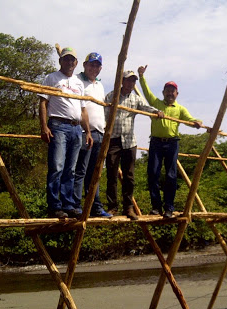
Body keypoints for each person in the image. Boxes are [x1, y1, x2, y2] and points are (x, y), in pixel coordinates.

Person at [137, 65, 202, 218]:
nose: (170, 93)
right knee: (153, 173)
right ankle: (156, 207)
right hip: (156, 143)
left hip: (172, 143)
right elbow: (146, 91)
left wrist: (197, 122)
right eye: (167, 90)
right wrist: (141, 76)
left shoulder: (180, 109)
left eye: (172, 91)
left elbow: (190, 120)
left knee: (171, 175)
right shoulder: (156, 103)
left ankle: (169, 208)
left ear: (176, 94)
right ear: (163, 93)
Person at [38, 47, 92, 218]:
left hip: (76, 128)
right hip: (58, 125)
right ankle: (54, 206)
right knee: (57, 166)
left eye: (72, 60)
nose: (69, 62)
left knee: (71, 169)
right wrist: (44, 126)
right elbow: (43, 103)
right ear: (60, 61)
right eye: (66, 59)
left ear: (76, 63)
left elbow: (83, 110)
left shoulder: (78, 83)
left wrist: (87, 131)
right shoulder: (51, 78)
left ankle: (68, 205)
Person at [104, 70, 164, 220]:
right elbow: (104, 115)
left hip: (129, 141)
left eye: (133, 81)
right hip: (113, 139)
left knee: (129, 176)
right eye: (128, 80)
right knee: (111, 174)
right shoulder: (112, 96)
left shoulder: (135, 99)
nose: (131, 83)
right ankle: (112, 206)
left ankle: (128, 207)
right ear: (122, 81)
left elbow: (146, 107)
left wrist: (157, 111)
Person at [73, 52, 112, 218]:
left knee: (95, 173)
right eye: (91, 64)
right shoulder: (77, 80)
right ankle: (75, 206)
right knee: (80, 170)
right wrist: (86, 129)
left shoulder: (99, 85)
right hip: (84, 132)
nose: (94, 68)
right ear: (84, 65)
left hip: (99, 133)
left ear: (100, 68)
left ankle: (95, 206)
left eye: (97, 65)